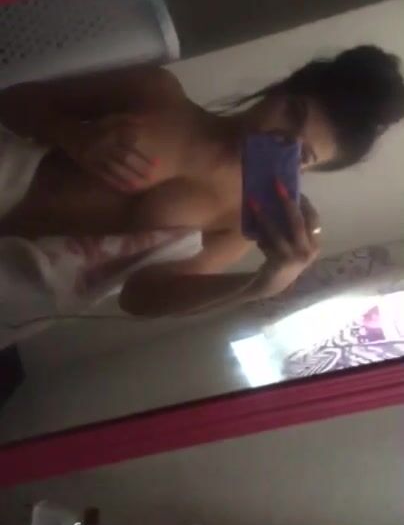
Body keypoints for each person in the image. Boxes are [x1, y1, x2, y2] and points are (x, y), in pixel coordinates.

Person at [0, 45, 403, 319]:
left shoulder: (239, 221)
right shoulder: (156, 94)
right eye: (292, 113)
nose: (276, 137)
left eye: (300, 153)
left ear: (306, 171)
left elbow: (140, 298)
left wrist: (259, 285)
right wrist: (74, 136)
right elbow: (13, 102)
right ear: (280, 90)